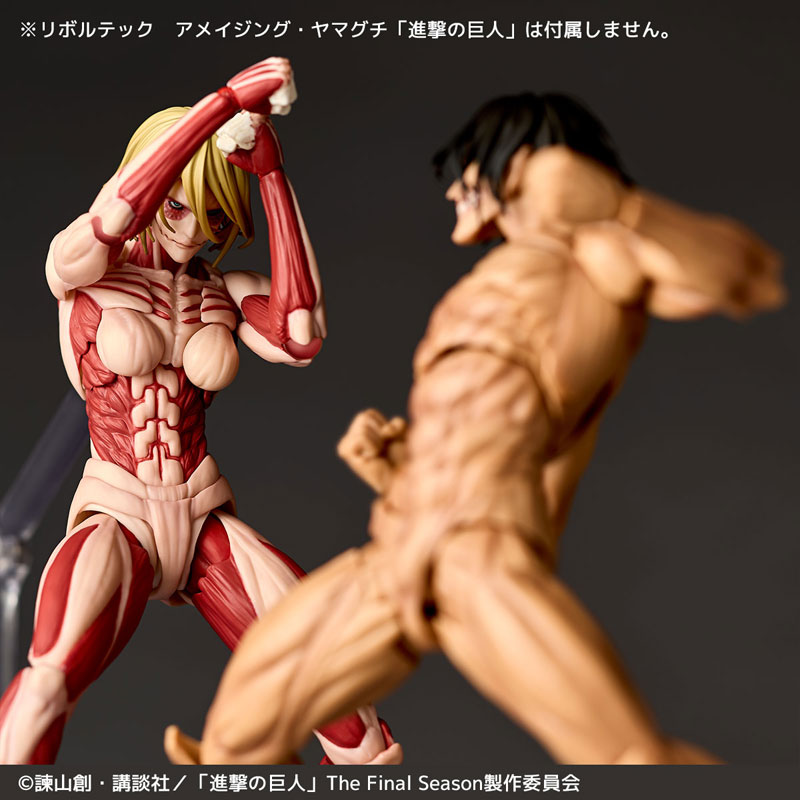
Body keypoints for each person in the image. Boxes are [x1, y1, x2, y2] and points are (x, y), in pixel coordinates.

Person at [163, 92, 783, 765]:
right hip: (399, 546)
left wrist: (617, 203)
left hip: (480, 556)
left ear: (521, 166)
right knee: (234, 742)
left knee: (631, 759)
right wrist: (398, 467)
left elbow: (750, 277)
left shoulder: (602, 255)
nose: (458, 188)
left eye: (469, 168)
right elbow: (486, 421)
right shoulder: (495, 278)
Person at [0, 57, 399, 766]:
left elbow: (300, 332)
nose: (192, 231)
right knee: (46, 685)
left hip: (202, 511)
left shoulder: (221, 291)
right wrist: (220, 107)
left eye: (213, 215)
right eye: (179, 206)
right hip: (118, 508)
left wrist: (271, 175)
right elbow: (113, 215)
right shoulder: (90, 270)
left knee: (344, 705)